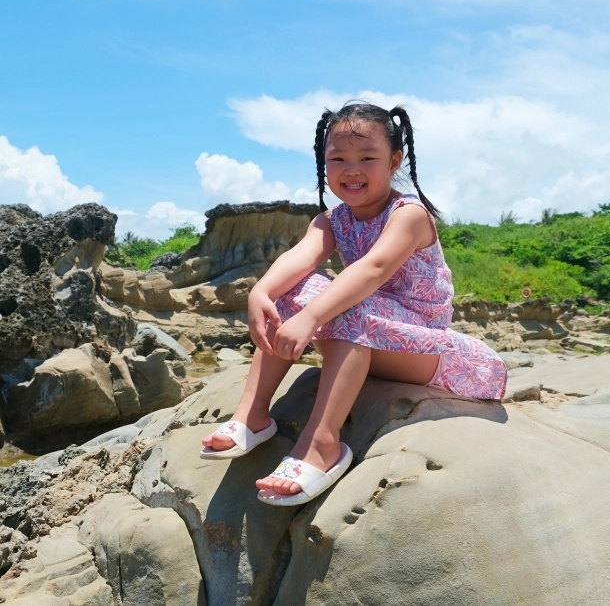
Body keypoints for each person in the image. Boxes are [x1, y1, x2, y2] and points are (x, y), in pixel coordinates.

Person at [199, 101, 508, 506]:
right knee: (292, 291)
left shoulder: (409, 214)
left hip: (426, 347)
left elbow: (373, 270)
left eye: (367, 157)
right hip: (371, 331)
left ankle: (322, 443)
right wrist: (261, 293)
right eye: (338, 158)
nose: (352, 169)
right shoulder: (333, 219)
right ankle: (252, 415)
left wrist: (312, 316)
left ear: (394, 160)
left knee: (346, 304)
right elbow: (300, 259)